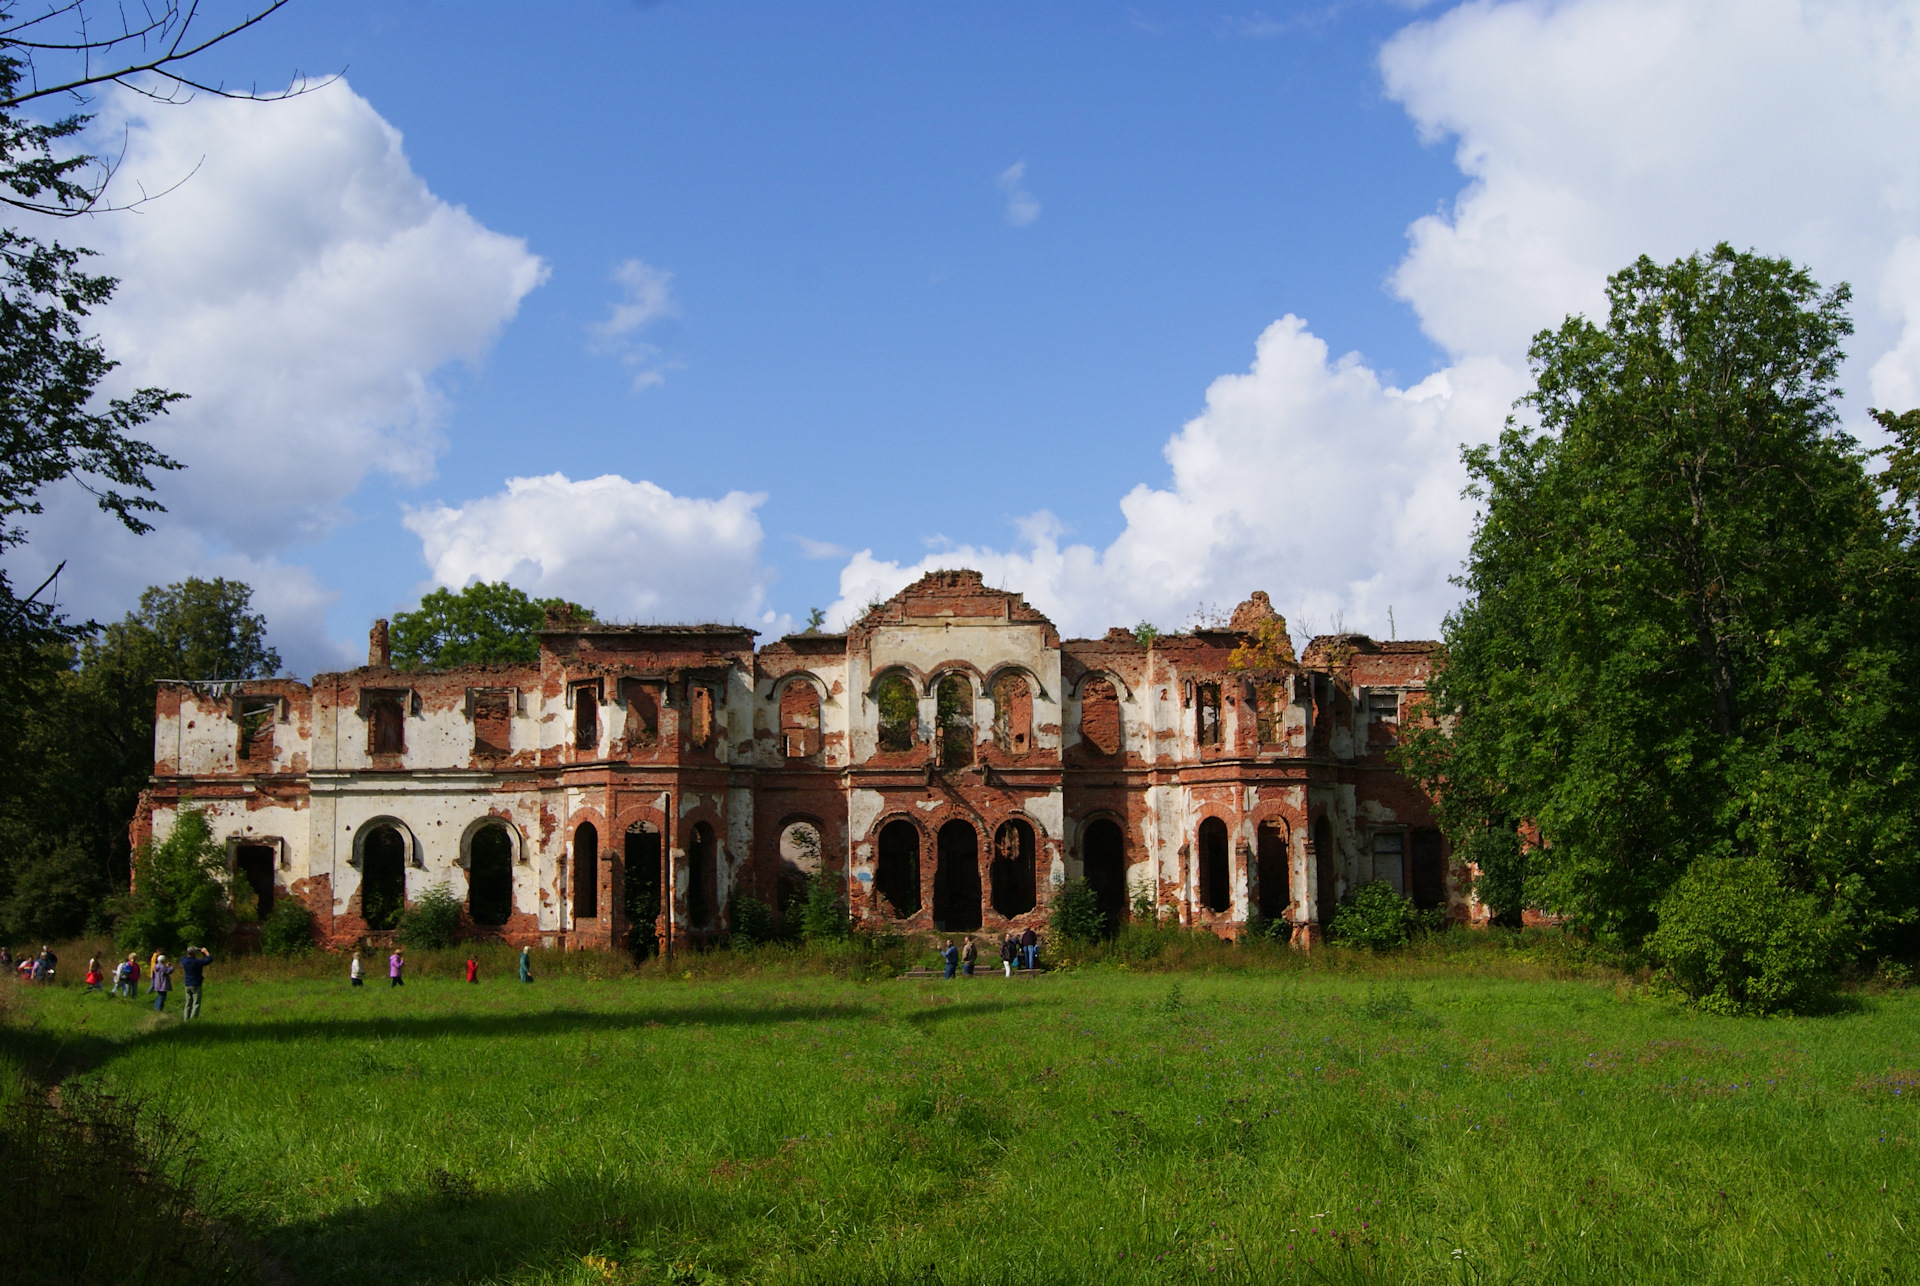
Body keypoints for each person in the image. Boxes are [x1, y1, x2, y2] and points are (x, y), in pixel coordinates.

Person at [180, 946, 212, 1019]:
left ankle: (186, 1019)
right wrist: (205, 952)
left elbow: (183, 957)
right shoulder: (196, 962)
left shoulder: (184, 961)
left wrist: (192, 949)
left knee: (188, 1003)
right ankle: (193, 1019)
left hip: (187, 984)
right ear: (194, 953)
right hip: (196, 984)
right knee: (196, 1003)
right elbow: (209, 959)